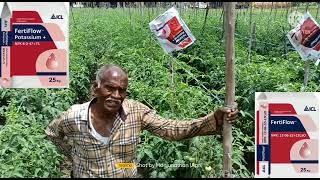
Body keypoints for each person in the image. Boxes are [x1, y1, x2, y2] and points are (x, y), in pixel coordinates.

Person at [45, 64, 239, 178]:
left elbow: (171, 129)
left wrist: (213, 118)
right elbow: (52, 133)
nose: (116, 95)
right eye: (109, 88)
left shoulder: (135, 112)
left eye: (122, 90)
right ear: (95, 88)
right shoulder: (74, 117)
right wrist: (74, 158)